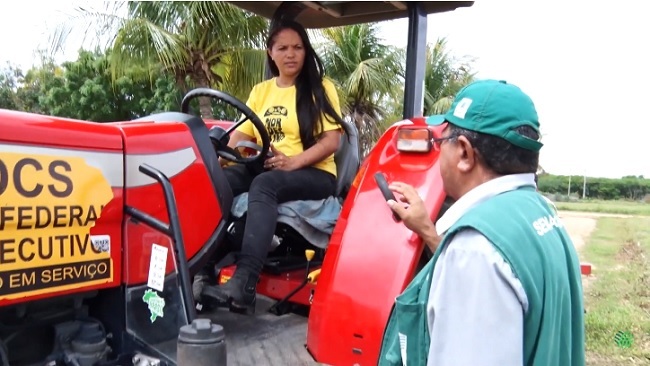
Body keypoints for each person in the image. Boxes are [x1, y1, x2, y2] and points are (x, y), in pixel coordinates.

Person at [378, 80, 585, 365]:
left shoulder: (474, 250)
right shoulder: (542, 212)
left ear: (464, 153)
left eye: (441, 143)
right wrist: (428, 228)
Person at [199, 19, 348, 315]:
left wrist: (293, 162)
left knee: (264, 185)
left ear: (306, 52)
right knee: (218, 182)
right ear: (270, 52)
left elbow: (332, 141)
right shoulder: (261, 92)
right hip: (270, 166)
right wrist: (220, 158)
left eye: (297, 47)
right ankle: (201, 267)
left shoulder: (321, 88)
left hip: (315, 173)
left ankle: (245, 283)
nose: (291, 54)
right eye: (283, 48)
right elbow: (243, 136)